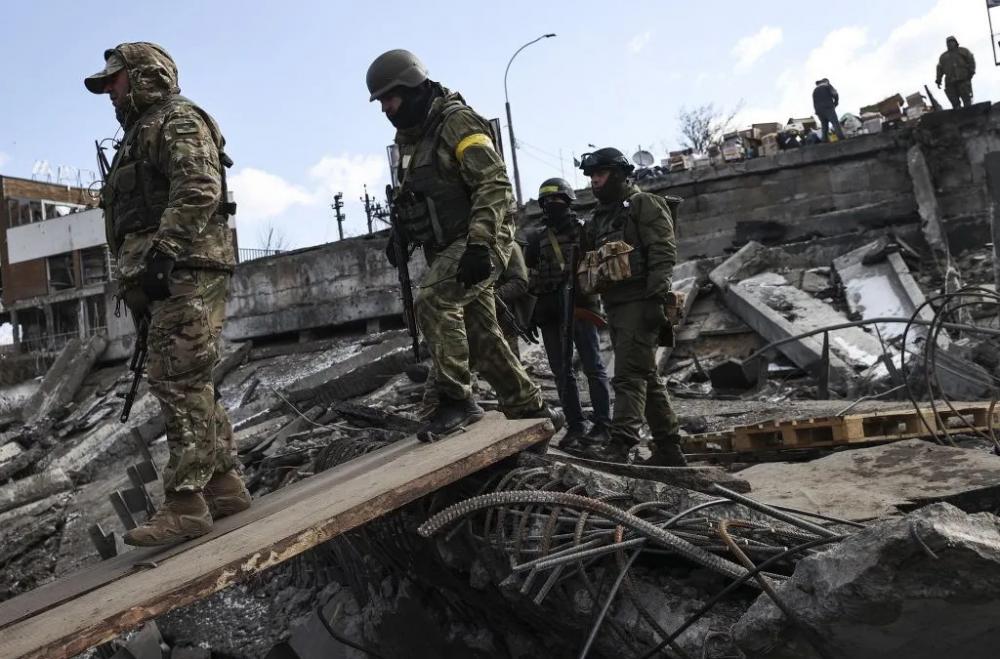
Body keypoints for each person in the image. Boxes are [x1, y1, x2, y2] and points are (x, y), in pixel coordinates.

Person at [85, 42, 250, 546]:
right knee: (190, 379)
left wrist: (164, 252)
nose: (110, 92)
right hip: (166, 274)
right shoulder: (140, 133)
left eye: (115, 81)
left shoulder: (175, 121)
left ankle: (185, 503)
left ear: (144, 76)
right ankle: (223, 487)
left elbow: (200, 185)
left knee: (176, 380)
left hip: (184, 269)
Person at [367, 49, 562, 437]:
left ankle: (457, 401)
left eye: (391, 97)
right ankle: (530, 409)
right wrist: (401, 232)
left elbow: (493, 185)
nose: (387, 108)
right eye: (382, 101)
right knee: (481, 333)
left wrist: (479, 244)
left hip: (480, 238)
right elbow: (415, 194)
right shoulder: (411, 139)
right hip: (448, 245)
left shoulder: (457, 123)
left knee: (435, 299)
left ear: (413, 87)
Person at [576, 148, 687, 466]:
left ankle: (621, 444)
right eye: (592, 176)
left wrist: (656, 298)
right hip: (616, 305)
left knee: (627, 377)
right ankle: (669, 448)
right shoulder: (599, 217)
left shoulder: (642, 204)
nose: (595, 181)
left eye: (601, 174)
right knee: (646, 376)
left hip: (641, 302)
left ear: (620, 173)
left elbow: (663, 252)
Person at [524, 178, 611, 451]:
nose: (552, 206)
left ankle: (602, 425)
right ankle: (575, 425)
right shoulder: (537, 239)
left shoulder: (585, 231)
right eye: (547, 202)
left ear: (568, 202)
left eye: (557, 200)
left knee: (593, 368)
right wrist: (532, 314)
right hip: (551, 311)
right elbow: (530, 277)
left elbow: (599, 268)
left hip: (581, 307)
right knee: (561, 372)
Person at [494, 241, 531, 359]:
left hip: (502, 317)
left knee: (509, 367)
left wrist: (493, 296)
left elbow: (520, 283)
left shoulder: (509, 246)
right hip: (476, 323)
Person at [937, 36, 976, 109]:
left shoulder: (963, 51)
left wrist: (971, 71)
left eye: (952, 42)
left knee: (967, 101)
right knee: (955, 103)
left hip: (963, 79)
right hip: (950, 82)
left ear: (955, 42)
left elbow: (971, 60)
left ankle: (969, 114)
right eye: (948, 42)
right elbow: (939, 68)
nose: (950, 44)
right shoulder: (943, 56)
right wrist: (938, 80)